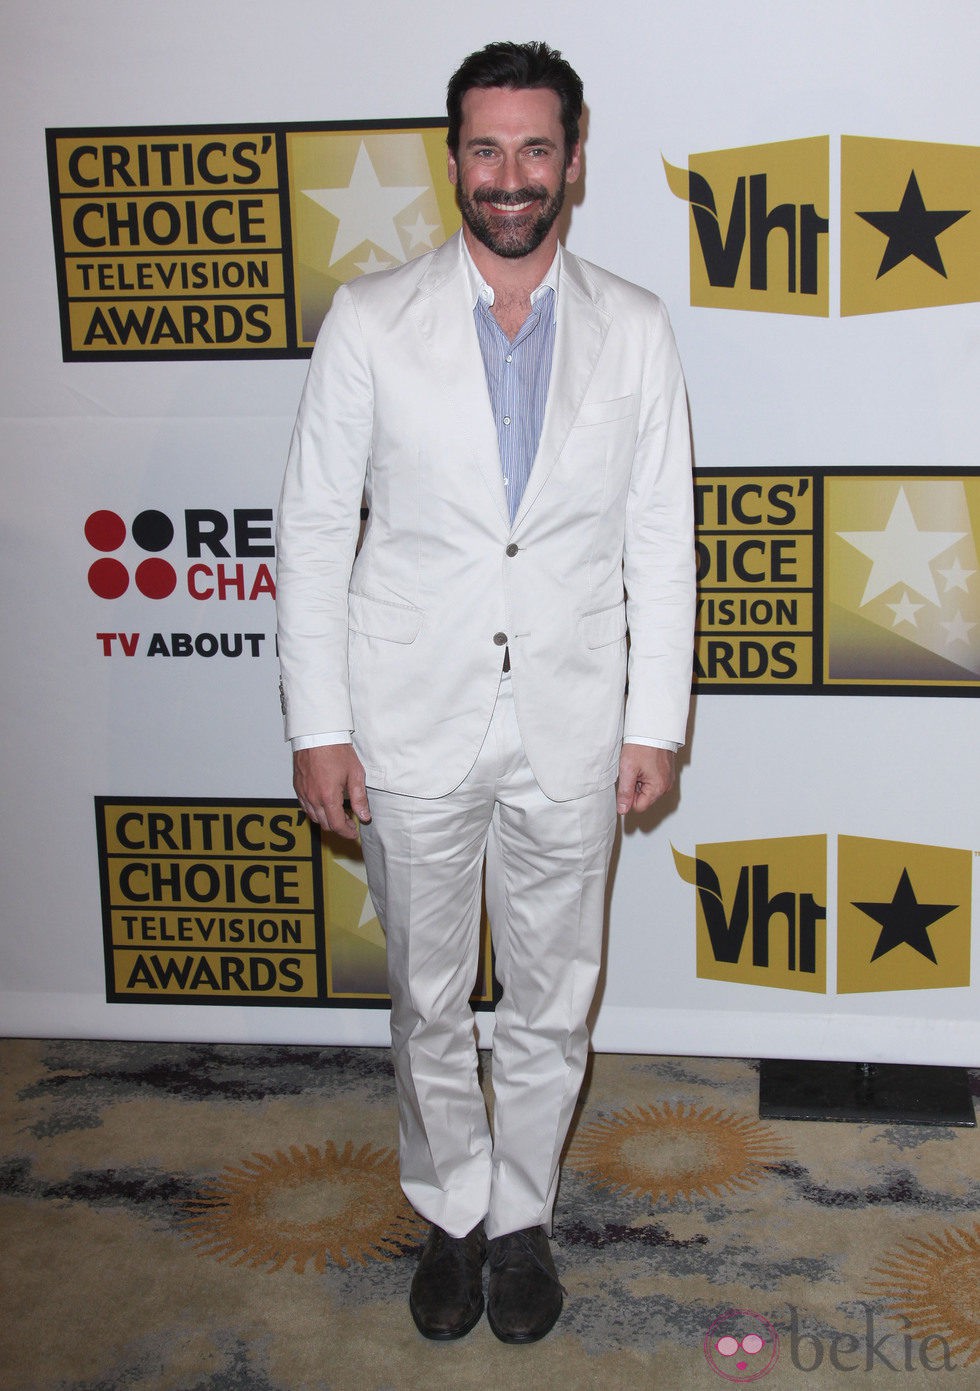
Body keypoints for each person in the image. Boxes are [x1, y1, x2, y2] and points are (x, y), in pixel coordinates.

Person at [276, 40, 695, 1344]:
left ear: (573, 161)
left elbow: (659, 539)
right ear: (451, 158)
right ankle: (450, 1208)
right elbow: (308, 531)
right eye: (484, 147)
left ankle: (521, 1218)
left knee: (555, 995)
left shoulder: (631, 326)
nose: (508, 176)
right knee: (429, 994)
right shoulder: (370, 318)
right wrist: (319, 724)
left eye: (533, 148)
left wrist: (655, 723)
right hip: (410, 717)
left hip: (574, 722)